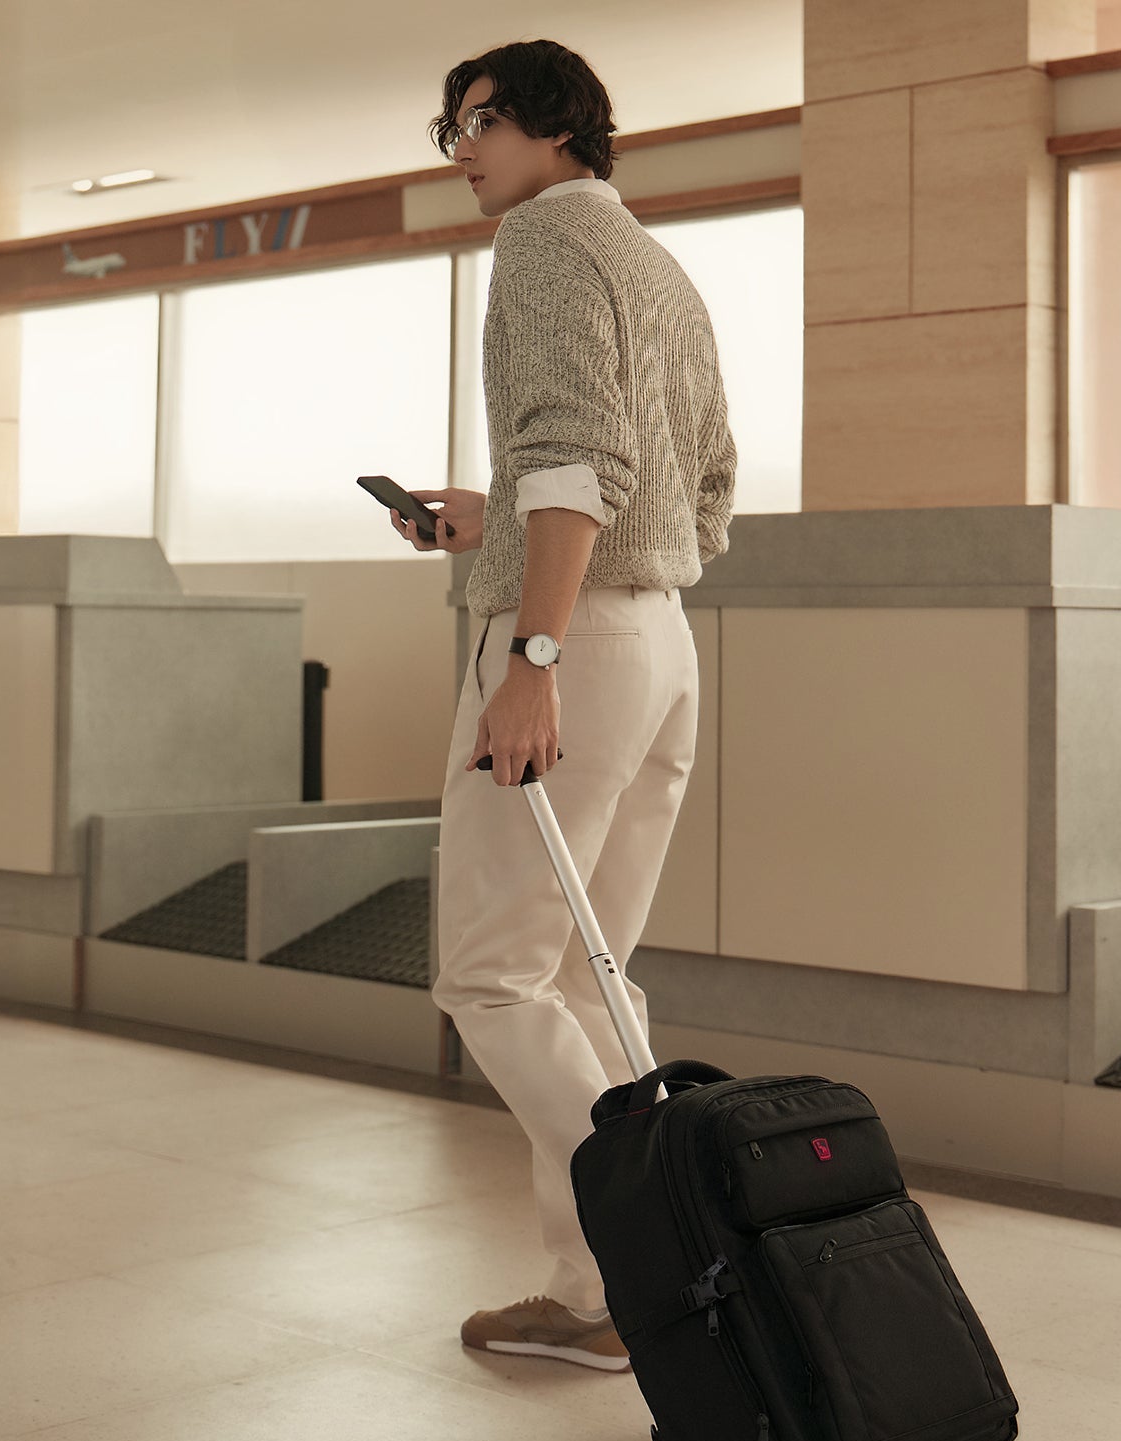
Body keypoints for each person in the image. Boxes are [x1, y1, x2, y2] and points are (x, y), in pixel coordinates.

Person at [385, 39, 736, 1372]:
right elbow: (700, 491)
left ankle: (661, 1257)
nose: (463, 149)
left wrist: (531, 647)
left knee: (486, 975)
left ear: (552, 126)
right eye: (451, 129)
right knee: (585, 979)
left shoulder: (539, 247)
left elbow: (578, 455)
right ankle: (602, 1297)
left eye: (474, 122)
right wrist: (494, 535)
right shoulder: (658, 266)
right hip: (662, 648)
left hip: (574, 651)